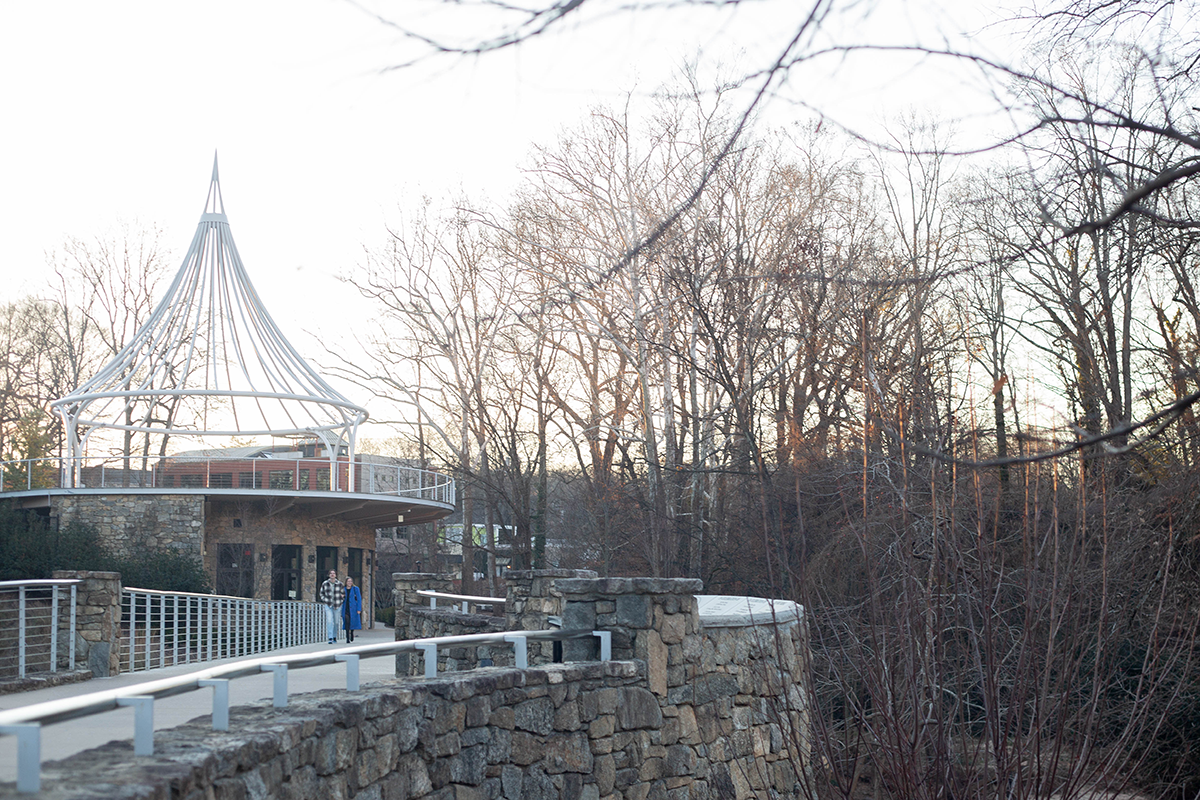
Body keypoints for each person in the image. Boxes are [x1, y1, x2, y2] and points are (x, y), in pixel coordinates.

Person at [318, 569, 345, 644]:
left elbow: (343, 593)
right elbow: (321, 593)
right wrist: (324, 600)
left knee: (336, 622)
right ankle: (330, 637)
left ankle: (334, 636)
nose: (332, 575)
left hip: (337, 604)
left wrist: (341, 599)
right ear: (329, 575)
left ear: (335, 575)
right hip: (328, 604)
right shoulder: (325, 583)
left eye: (334, 573)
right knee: (329, 621)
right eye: (331, 573)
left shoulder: (340, 584)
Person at [342, 576, 363, 643]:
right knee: (347, 621)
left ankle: (352, 632)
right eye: (348, 581)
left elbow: (359, 599)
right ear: (346, 582)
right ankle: (347, 637)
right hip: (345, 607)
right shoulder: (343, 589)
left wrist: (359, 609)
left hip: (353, 608)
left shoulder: (355, 589)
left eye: (351, 581)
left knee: (352, 621)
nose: (349, 583)